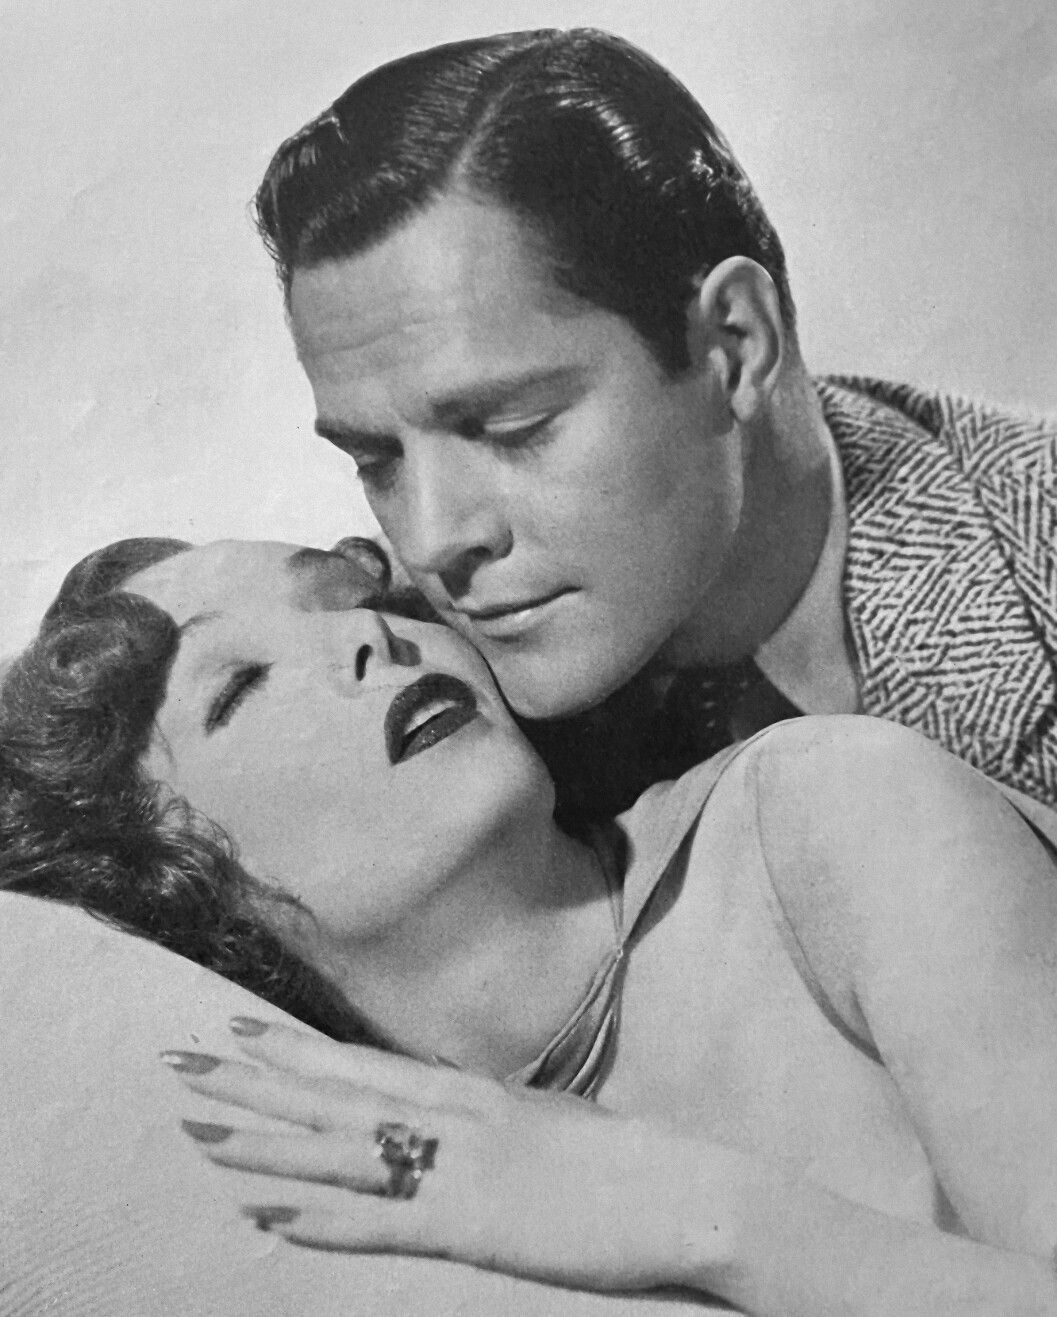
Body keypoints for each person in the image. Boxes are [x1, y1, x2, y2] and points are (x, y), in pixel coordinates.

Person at [5, 535, 1057, 1315]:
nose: (368, 636)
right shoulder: (385, 1175)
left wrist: (692, 1212)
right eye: (240, 684)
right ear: (166, 882)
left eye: (350, 597)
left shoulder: (825, 812)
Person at [252, 27, 1057, 817]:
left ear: (734, 346)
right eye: (377, 460)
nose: (430, 540)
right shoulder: (394, 668)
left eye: (511, 426)